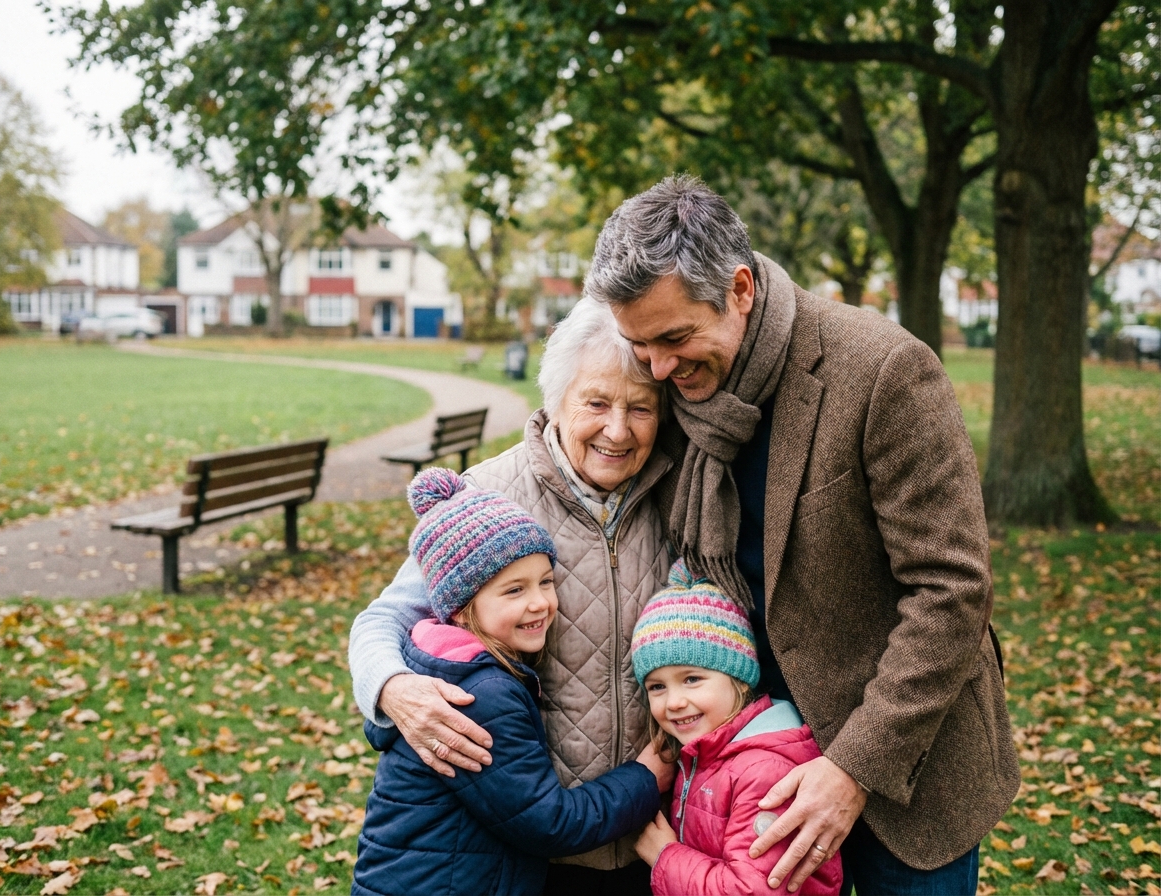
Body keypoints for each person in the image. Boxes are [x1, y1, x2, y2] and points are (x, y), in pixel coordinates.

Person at [582, 175, 1020, 895]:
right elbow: (565, 463)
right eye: (640, 345)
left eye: (675, 339)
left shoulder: (882, 370)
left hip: (905, 769)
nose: (657, 368)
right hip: (747, 766)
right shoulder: (673, 386)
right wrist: (395, 668)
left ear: (740, 289)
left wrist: (853, 769)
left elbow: (952, 591)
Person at [350, 298, 674, 893]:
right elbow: (385, 618)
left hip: (655, 836)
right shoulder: (487, 496)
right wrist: (393, 690)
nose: (618, 429)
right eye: (596, 403)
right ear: (555, 400)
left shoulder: (680, 495)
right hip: (533, 852)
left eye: (641, 408)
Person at [352, 468, 670, 896]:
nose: (540, 602)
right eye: (514, 590)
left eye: (546, 582)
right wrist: (646, 778)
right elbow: (549, 823)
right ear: (461, 607)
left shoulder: (439, 661)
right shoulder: (479, 696)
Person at [630, 559, 843, 896]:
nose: (674, 702)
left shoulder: (765, 772)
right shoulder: (702, 755)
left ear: (740, 680)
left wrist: (664, 857)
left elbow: (752, 890)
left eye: (692, 679)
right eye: (657, 686)